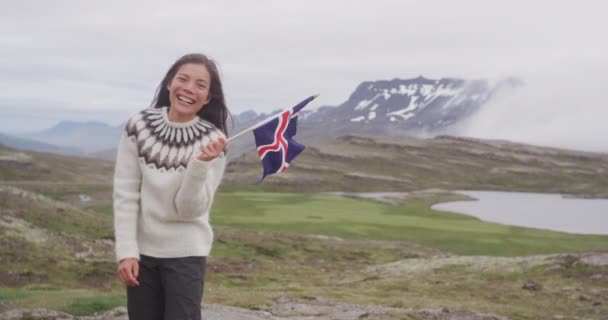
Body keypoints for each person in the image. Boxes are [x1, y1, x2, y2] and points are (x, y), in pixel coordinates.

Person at [113, 53, 229, 320]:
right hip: (142, 256)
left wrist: (199, 165)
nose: (189, 88)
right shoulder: (138, 126)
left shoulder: (215, 141)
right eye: (183, 79)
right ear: (169, 84)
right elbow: (126, 194)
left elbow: (189, 211)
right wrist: (127, 252)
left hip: (187, 256)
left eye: (201, 85)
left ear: (208, 97)